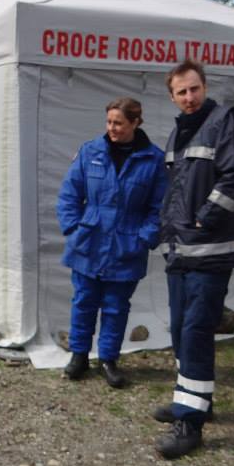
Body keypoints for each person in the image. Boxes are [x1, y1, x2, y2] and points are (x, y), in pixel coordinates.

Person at [154, 59, 234, 459]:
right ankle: (195, 400)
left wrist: (205, 218)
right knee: (181, 328)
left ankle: (190, 423)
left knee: (196, 329)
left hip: (211, 251)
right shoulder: (178, 134)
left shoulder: (224, 120)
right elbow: (175, 192)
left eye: (194, 88)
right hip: (181, 251)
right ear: (173, 97)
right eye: (181, 92)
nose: (189, 97)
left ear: (204, 86)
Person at [56, 97, 167, 387]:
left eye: (119, 123)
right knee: (83, 301)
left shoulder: (153, 160)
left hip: (126, 246)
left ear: (135, 123)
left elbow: (160, 208)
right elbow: (69, 194)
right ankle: (78, 356)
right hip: (88, 243)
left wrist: (144, 239)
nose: (112, 128)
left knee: (116, 306)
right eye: (109, 122)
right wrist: (73, 229)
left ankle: (108, 360)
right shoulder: (90, 151)